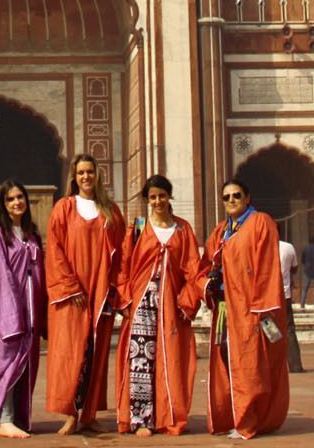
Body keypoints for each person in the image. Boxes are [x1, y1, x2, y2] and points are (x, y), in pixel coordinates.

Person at [113, 175, 201, 436]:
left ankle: (167, 414)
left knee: (170, 359)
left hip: (171, 303)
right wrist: (125, 300)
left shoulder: (183, 230)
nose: (158, 201)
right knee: (141, 359)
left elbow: (193, 269)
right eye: (153, 197)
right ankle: (140, 420)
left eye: (162, 195)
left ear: (169, 196)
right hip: (142, 302)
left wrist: (188, 302)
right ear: (147, 200)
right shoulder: (138, 228)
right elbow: (123, 267)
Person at [46, 153, 125, 437]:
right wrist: (69, 287)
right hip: (74, 294)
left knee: (96, 352)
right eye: (81, 173)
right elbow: (54, 251)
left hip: (101, 291)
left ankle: (89, 414)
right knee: (72, 353)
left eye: (90, 172)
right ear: (74, 177)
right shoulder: (64, 208)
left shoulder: (110, 211)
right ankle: (70, 413)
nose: (86, 177)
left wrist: (117, 290)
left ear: (97, 174)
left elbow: (122, 254)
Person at [204, 178, 289, 440]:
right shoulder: (222, 231)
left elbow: (266, 266)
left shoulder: (260, 222)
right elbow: (206, 263)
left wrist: (261, 307)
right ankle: (237, 416)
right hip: (228, 309)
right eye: (226, 197)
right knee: (229, 360)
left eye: (236, 195)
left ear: (248, 198)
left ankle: (250, 420)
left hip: (251, 309)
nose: (231, 200)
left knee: (251, 365)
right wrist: (208, 283)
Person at [0, 179, 44, 439]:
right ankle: (4, 420)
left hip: (30, 310)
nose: (17, 202)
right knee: (4, 362)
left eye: (20, 197)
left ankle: (16, 417)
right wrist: (9, 315)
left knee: (23, 364)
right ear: (3, 205)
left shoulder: (31, 234)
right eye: (10, 199)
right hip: (5, 311)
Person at [275, 226, 305, 375]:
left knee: (268, 330)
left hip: (265, 299)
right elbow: (294, 268)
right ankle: (295, 365)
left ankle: (273, 367)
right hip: (284, 295)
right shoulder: (288, 247)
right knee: (289, 330)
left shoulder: (257, 246)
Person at [299, 234, 314, 311]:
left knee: (305, 289)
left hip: (307, 271)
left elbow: (302, 260)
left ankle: (302, 304)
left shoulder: (306, 249)